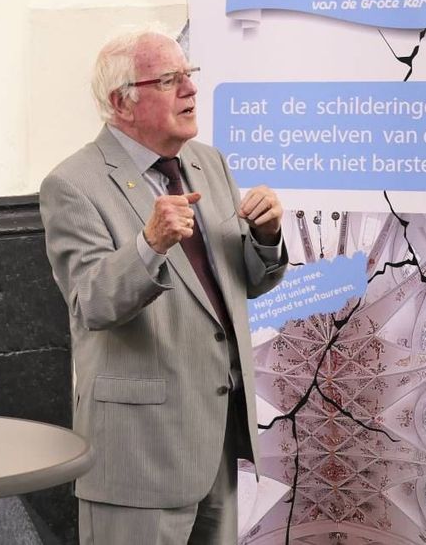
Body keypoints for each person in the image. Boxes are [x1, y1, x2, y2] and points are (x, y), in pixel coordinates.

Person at [39, 28, 288, 544]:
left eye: (189, 76)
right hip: (139, 458)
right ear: (121, 103)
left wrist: (267, 238)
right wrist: (149, 245)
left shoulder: (209, 164)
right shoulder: (73, 184)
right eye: (170, 80)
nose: (190, 90)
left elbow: (246, 285)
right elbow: (92, 303)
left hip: (215, 442)